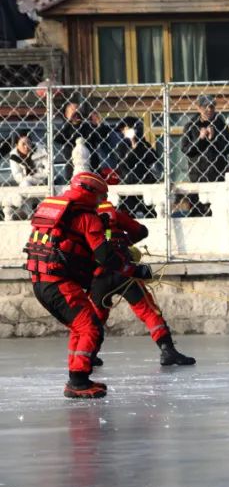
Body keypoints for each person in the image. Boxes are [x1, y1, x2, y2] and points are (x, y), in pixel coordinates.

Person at [24, 172, 151, 398]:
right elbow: (105, 257)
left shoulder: (61, 211)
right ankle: (78, 381)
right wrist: (134, 270)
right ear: (91, 193)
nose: (102, 202)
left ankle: (77, 376)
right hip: (58, 282)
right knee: (90, 328)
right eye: (101, 196)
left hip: (41, 280)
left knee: (79, 327)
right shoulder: (86, 217)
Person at [91, 199, 195, 367]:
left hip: (98, 276)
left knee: (95, 316)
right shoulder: (115, 215)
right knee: (148, 311)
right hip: (125, 272)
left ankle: (89, 354)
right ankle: (167, 350)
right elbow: (141, 231)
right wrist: (125, 242)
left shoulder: (82, 218)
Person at [181, 95, 229, 182]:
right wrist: (200, 139)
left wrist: (213, 138)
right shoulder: (191, 126)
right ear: (199, 108)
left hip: (218, 176)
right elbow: (186, 150)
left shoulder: (221, 125)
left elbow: (228, 148)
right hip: (197, 176)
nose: (209, 109)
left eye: (212, 106)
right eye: (205, 106)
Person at [55, 101, 108, 182]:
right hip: (73, 170)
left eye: (78, 110)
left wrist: (99, 123)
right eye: (73, 110)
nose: (76, 112)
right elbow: (57, 138)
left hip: (92, 168)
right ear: (66, 114)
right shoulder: (65, 129)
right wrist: (69, 121)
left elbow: (102, 136)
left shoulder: (88, 127)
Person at [114, 117, 158, 184]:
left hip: (145, 181)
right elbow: (123, 163)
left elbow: (154, 158)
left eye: (126, 129)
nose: (123, 132)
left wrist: (137, 141)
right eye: (122, 130)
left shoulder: (144, 144)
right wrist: (133, 148)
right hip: (128, 182)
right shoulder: (121, 146)